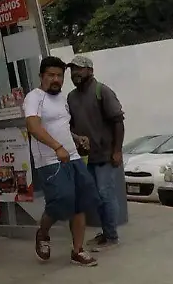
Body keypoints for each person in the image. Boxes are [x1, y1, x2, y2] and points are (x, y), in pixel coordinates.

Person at [24, 56, 99, 267]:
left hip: (73, 156)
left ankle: (78, 250)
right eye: (51, 75)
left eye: (59, 75)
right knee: (62, 200)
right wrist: (57, 147)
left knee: (82, 201)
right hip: (49, 160)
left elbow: (62, 127)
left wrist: (76, 138)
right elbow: (33, 127)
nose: (56, 79)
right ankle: (43, 232)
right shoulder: (34, 98)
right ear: (41, 76)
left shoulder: (62, 99)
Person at [66, 54, 125, 251]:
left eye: (79, 69)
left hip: (106, 155)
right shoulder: (71, 97)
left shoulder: (102, 91)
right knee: (95, 196)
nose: (75, 73)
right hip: (85, 157)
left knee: (105, 194)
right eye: (72, 69)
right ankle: (106, 233)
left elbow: (118, 121)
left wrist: (117, 151)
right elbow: (70, 125)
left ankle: (112, 237)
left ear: (90, 71)